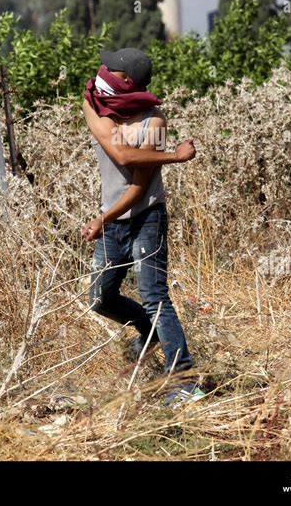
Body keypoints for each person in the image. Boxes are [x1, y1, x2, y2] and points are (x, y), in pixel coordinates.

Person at [81, 48, 205, 405]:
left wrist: (102, 218)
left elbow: (139, 185)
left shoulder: (155, 121)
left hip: (146, 215)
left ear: (125, 80)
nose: (101, 70)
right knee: (100, 299)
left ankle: (183, 380)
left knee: (153, 294)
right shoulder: (93, 103)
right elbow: (122, 155)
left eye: (110, 68)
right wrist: (175, 157)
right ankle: (150, 334)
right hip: (112, 219)